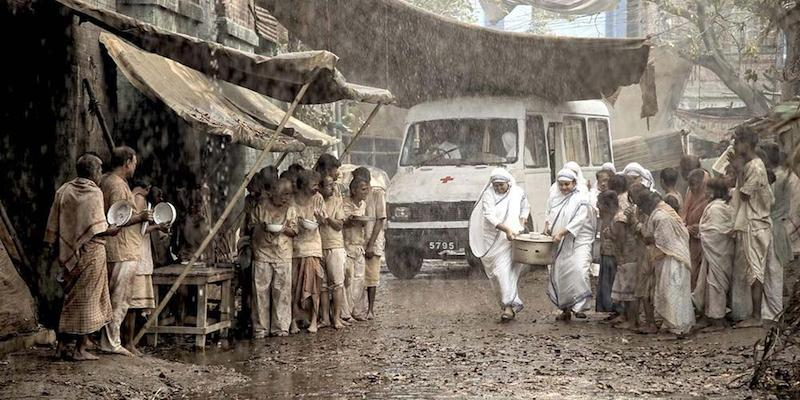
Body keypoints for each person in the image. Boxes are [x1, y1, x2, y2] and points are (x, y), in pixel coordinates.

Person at [44, 153, 119, 361]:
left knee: (70, 300)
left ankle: (61, 347)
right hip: (92, 253)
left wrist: (50, 246)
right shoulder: (94, 192)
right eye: (100, 169)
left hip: (68, 253)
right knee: (88, 301)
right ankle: (80, 349)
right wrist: (111, 231)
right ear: (93, 171)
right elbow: (97, 228)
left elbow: (54, 221)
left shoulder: (64, 190)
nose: (101, 173)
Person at [99, 146, 152, 356]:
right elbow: (117, 218)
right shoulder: (118, 185)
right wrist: (142, 217)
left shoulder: (104, 180)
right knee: (119, 299)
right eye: (134, 162)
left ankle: (108, 340)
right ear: (127, 162)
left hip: (111, 247)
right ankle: (112, 342)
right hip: (121, 248)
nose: (135, 167)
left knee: (109, 297)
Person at [730, 127, 782, 327]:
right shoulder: (755, 165)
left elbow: (744, 194)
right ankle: (757, 314)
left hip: (755, 223)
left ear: (745, 143)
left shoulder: (755, 167)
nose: (735, 146)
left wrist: (738, 171)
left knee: (756, 270)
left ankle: (757, 317)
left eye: (737, 142)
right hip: (754, 223)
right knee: (756, 268)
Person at [468, 168, 530, 321]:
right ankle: (505, 303)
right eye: (496, 185)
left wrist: (521, 222)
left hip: (513, 238)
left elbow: (525, 207)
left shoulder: (517, 192)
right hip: (493, 239)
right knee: (495, 275)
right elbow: (489, 216)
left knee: (506, 273)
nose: (498, 188)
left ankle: (509, 307)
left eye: (501, 185)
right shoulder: (488, 194)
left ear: (508, 183)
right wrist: (506, 229)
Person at [636, 191, 695, 336]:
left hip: (672, 258)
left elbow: (661, 240)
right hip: (673, 257)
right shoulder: (665, 211)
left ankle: (676, 327)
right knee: (673, 291)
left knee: (671, 291)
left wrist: (646, 238)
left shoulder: (660, 216)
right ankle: (673, 325)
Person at [546, 168, 595, 321]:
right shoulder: (555, 199)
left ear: (574, 183)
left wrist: (561, 233)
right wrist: (548, 228)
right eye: (561, 185)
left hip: (578, 241)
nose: (564, 188)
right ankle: (565, 309)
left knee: (579, 270)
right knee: (562, 275)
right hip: (560, 244)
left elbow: (578, 221)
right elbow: (551, 216)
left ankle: (579, 307)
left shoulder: (581, 199)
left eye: (567, 184)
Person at [251, 177, 297, 338]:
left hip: (283, 253)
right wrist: (262, 228)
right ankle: (260, 328)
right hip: (262, 253)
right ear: (272, 193)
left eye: (289, 194)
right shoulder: (261, 207)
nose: (286, 198)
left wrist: (284, 229)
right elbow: (252, 229)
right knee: (260, 292)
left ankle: (281, 327)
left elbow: (295, 231)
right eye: (283, 194)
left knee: (282, 292)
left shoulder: (291, 209)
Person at [694, 177, 734, 330]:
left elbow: (716, 232)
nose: (705, 192)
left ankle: (718, 320)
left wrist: (701, 232)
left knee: (715, 285)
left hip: (718, 252)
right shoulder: (719, 206)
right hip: (715, 253)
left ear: (714, 191)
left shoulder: (716, 208)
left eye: (708, 189)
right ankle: (709, 317)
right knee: (708, 284)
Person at [292, 170, 325, 333]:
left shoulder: (318, 199)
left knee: (313, 287)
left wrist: (320, 220)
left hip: (313, 247)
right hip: (295, 248)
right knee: (294, 287)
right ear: (303, 186)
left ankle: (313, 320)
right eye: (313, 185)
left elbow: (323, 221)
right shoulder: (292, 201)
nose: (316, 189)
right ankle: (294, 320)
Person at [352, 167, 387, 320]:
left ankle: (370, 309)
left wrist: (371, 244)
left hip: (373, 239)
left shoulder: (377, 194)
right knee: (358, 277)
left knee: (372, 277)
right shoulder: (354, 195)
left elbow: (380, 220)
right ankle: (357, 309)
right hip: (357, 240)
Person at [236, 172, 267, 335]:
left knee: (258, 285)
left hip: (262, 242)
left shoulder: (265, 200)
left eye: (250, 185)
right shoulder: (248, 200)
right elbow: (245, 221)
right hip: (249, 241)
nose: (248, 188)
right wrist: (242, 238)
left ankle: (257, 317)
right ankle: (246, 315)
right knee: (247, 281)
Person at [319, 176, 348, 329]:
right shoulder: (316, 202)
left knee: (337, 284)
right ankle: (325, 318)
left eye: (332, 185)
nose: (332, 188)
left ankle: (336, 317)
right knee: (322, 286)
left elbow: (339, 225)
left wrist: (327, 219)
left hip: (335, 246)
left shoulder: (337, 202)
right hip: (319, 246)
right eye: (328, 185)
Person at [342, 176, 370, 321]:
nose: (366, 192)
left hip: (359, 246)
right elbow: (344, 223)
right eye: (363, 189)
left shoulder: (363, 204)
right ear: (354, 190)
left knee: (359, 280)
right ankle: (346, 313)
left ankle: (357, 311)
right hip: (347, 246)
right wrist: (352, 220)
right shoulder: (345, 204)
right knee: (348, 280)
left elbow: (363, 222)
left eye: (367, 189)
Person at [682, 168, 709, 290]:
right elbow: (683, 217)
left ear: (702, 184)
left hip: (707, 244)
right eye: (690, 185)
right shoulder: (689, 195)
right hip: (691, 243)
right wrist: (687, 228)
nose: (692, 188)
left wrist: (701, 228)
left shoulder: (710, 197)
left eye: (694, 185)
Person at [596, 190, 621, 315]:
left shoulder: (617, 218)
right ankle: (610, 308)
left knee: (612, 282)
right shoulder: (607, 217)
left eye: (600, 205)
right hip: (606, 253)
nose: (598, 207)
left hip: (613, 255)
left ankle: (615, 308)